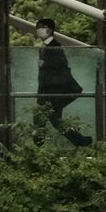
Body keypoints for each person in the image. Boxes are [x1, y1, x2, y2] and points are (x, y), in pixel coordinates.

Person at [34, 17, 92, 147]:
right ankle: (81, 141)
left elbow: (61, 66)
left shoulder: (55, 47)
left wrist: (45, 65)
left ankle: (37, 147)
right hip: (48, 91)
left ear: (49, 30)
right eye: (37, 27)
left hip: (53, 92)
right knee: (54, 120)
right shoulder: (45, 47)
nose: (38, 30)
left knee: (41, 118)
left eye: (40, 27)